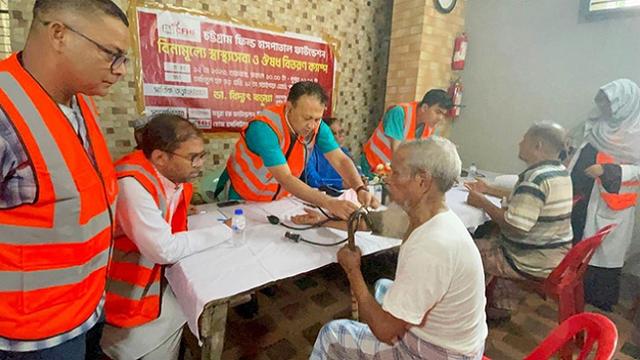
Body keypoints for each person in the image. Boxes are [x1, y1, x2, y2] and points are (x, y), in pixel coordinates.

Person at [0, 0, 129, 358]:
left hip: (85, 308)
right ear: (59, 34)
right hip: (30, 336)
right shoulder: (5, 113)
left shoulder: (79, 102)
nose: (119, 70)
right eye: (111, 54)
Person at [309, 138, 488, 360]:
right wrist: (321, 220)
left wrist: (353, 271)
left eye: (395, 173)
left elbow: (385, 331)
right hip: (456, 340)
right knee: (384, 286)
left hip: (439, 353)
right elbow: (371, 222)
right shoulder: (430, 217)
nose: (387, 178)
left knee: (332, 334)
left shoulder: (432, 246)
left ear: (422, 181)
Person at [101, 114, 232, 359]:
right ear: (160, 157)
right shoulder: (132, 184)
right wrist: (224, 230)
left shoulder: (170, 174)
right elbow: (163, 250)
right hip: (128, 281)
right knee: (138, 343)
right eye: (193, 158)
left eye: (201, 156)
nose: (200, 164)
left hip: (153, 272)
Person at [217, 81, 377, 219]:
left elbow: (340, 159)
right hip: (241, 198)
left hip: (279, 201)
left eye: (317, 119)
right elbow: (285, 177)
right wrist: (329, 202)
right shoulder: (264, 128)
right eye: (307, 118)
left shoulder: (317, 127)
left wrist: (360, 188)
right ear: (289, 107)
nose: (312, 125)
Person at [466, 122, 573, 320]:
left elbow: (516, 226)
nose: (519, 142)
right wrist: (488, 189)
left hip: (528, 259)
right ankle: (500, 301)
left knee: (461, 250)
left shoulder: (535, 179)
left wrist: (482, 202)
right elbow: (529, 197)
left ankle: (464, 310)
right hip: (555, 253)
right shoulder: (559, 171)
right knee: (490, 233)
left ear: (537, 146)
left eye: (524, 139)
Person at [568, 78, 640, 311]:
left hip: (611, 202)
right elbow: (580, 147)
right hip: (583, 195)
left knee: (603, 251)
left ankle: (597, 297)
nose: (605, 109)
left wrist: (609, 171)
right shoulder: (597, 123)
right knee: (578, 241)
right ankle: (572, 287)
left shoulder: (635, 133)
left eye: (610, 104)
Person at [360, 89, 452, 177]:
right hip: (372, 166)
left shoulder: (428, 125)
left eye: (443, 114)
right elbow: (397, 152)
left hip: (390, 172)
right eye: (438, 112)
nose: (440, 118)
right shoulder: (399, 112)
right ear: (424, 108)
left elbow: (421, 154)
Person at [304, 117, 357, 190]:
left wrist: (359, 180)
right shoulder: (310, 152)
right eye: (333, 133)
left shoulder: (345, 152)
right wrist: (341, 184)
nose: (339, 136)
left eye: (341, 132)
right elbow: (312, 180)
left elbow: (356, 173)